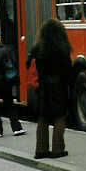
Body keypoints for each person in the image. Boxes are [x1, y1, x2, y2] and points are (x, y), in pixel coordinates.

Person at [26, 19, 72, 159]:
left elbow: (29, 64)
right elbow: (68, 70)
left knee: (43, 118)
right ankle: (57, 149)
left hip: (43, 88)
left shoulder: (38, 48)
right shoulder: (63, 48)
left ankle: (40, 150)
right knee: (59, 117)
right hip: (59, 88)